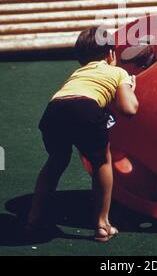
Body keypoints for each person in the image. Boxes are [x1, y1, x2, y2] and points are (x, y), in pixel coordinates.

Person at [26, 27, 139, 242]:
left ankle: (34, 219)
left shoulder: (78, 73)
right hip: (85, 109)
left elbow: (72, 97)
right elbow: (129, 109)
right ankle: (102, 225)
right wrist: (130, 88)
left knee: (56, 161)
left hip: (53, 111)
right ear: (111, 54)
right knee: (102, 163)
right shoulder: (117, 72)